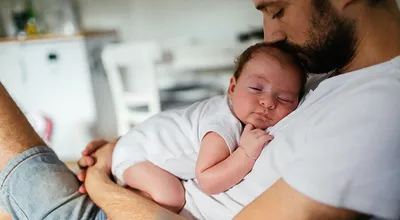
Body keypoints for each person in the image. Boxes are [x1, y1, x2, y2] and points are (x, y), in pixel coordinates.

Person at [0, 0, 399, 219]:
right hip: (153, 194)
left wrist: (102, 182)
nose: (271, 35)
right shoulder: (325, 76)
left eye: (277, 10)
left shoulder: (379, 108)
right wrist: (123, 149)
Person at [110, 42, 305, 214]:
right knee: (172, 197)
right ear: (232, 88)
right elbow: (208, 181)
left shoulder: (236, 113)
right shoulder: (223, 124)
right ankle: (121, 198)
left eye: (284, 98)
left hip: (140, 142)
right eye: (256, 88)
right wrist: (245, 153)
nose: (268, 102)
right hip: (135, 154)